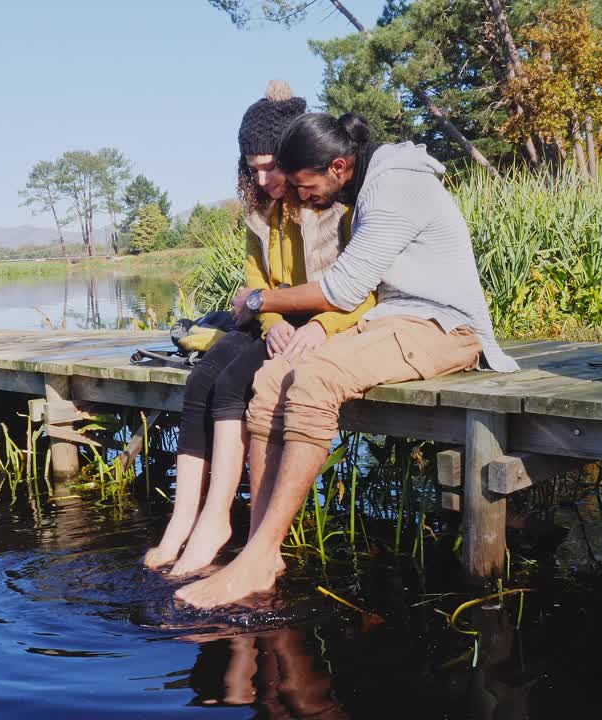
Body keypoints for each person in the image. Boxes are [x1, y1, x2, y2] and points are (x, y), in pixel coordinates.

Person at [176, 112, 518, 608]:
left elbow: (344, 288)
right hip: (396, 321)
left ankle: (258, 555)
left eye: (303, 184)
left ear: (339, 166)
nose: (298, 196)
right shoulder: (370, 185)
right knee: (271, 380)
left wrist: (257, 302)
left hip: (446, 326)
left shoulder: (395, 186)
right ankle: (259, 550)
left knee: (316, 378)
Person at [144, 83, 375, 575]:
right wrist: (268, 320)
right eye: (255, 168)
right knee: (202, 378)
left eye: (273, 166)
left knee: (231, 384)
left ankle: (216, 519)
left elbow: (364, 288)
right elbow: (257, 284)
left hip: (322, 322)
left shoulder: (334, 205)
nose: (266, 177)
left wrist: (321, 325)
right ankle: (182, 519)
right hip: (277, 319)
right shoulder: (261, 213)